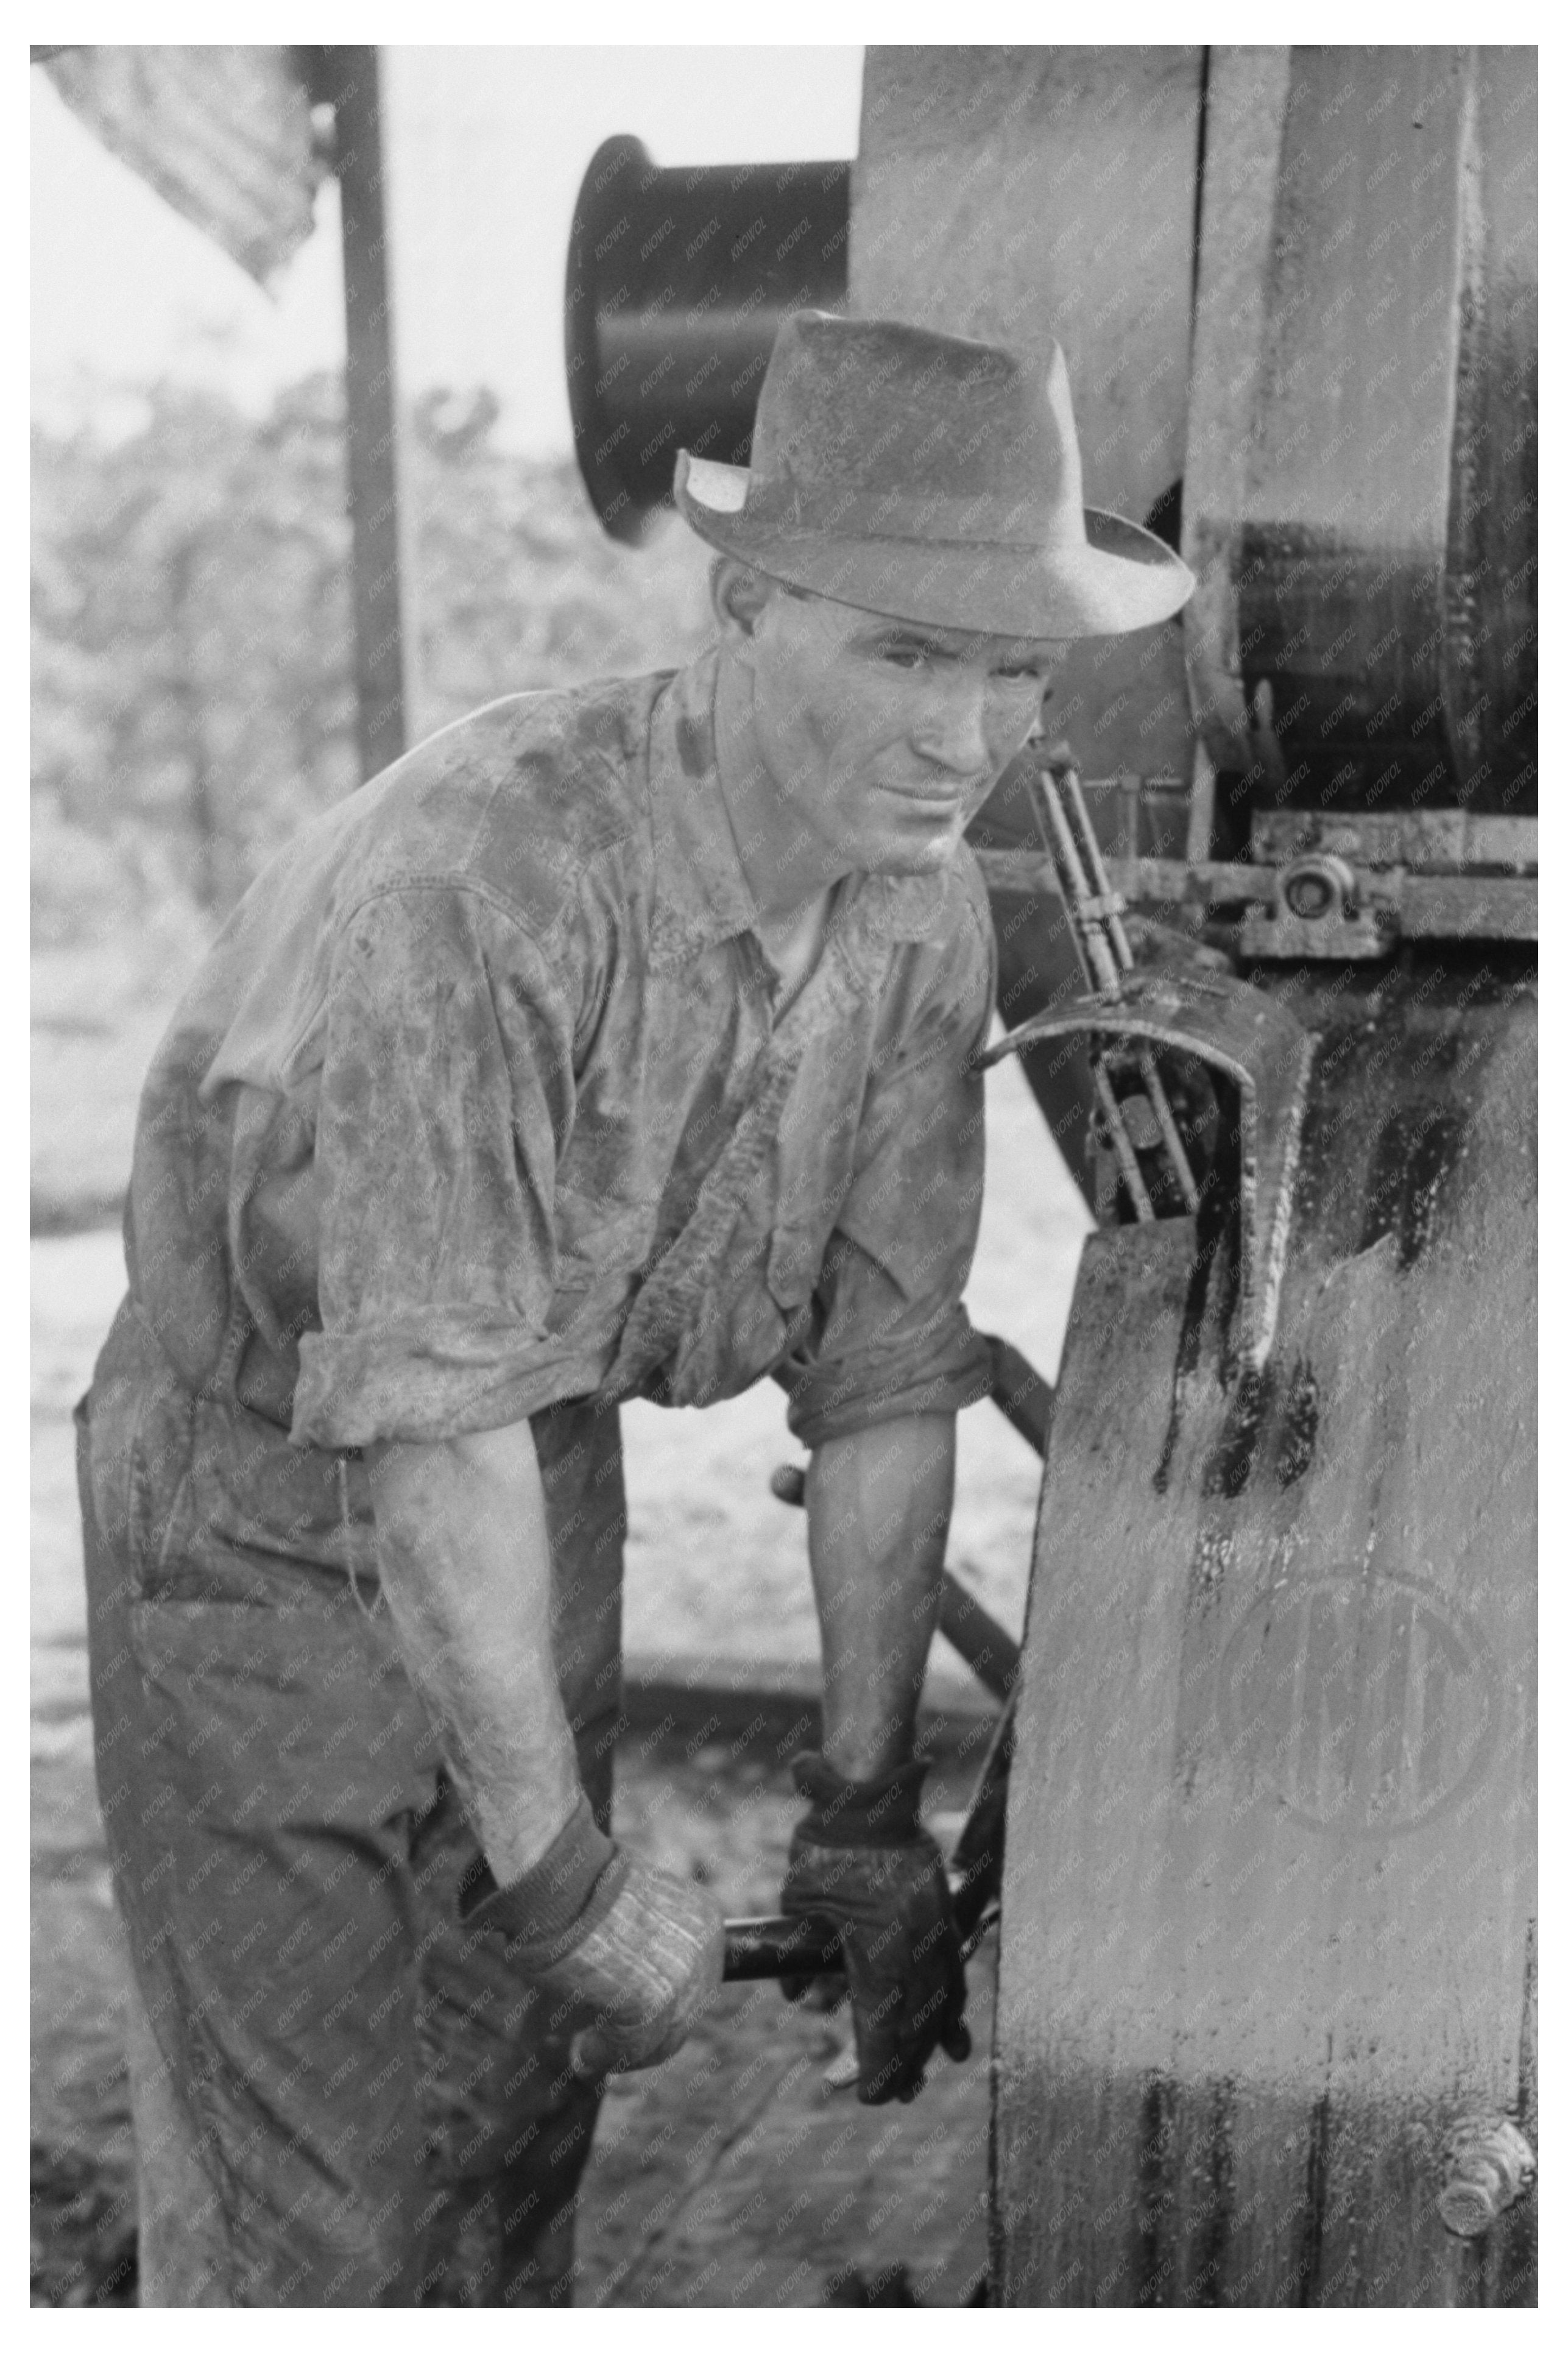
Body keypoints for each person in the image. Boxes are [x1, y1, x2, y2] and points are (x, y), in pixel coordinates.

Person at [78, 309, 1193, 2305]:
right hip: (252, 1507)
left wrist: (862, 1811)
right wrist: (575, 1875)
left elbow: (884, 1383)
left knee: (516, 2122)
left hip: (537, 1441)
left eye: (1014, 666)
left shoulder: (920, 903)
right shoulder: (493, 887)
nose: (967, 730)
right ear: (744, 603)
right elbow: (426, 1435)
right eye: (906, 652)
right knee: (313, 2212)